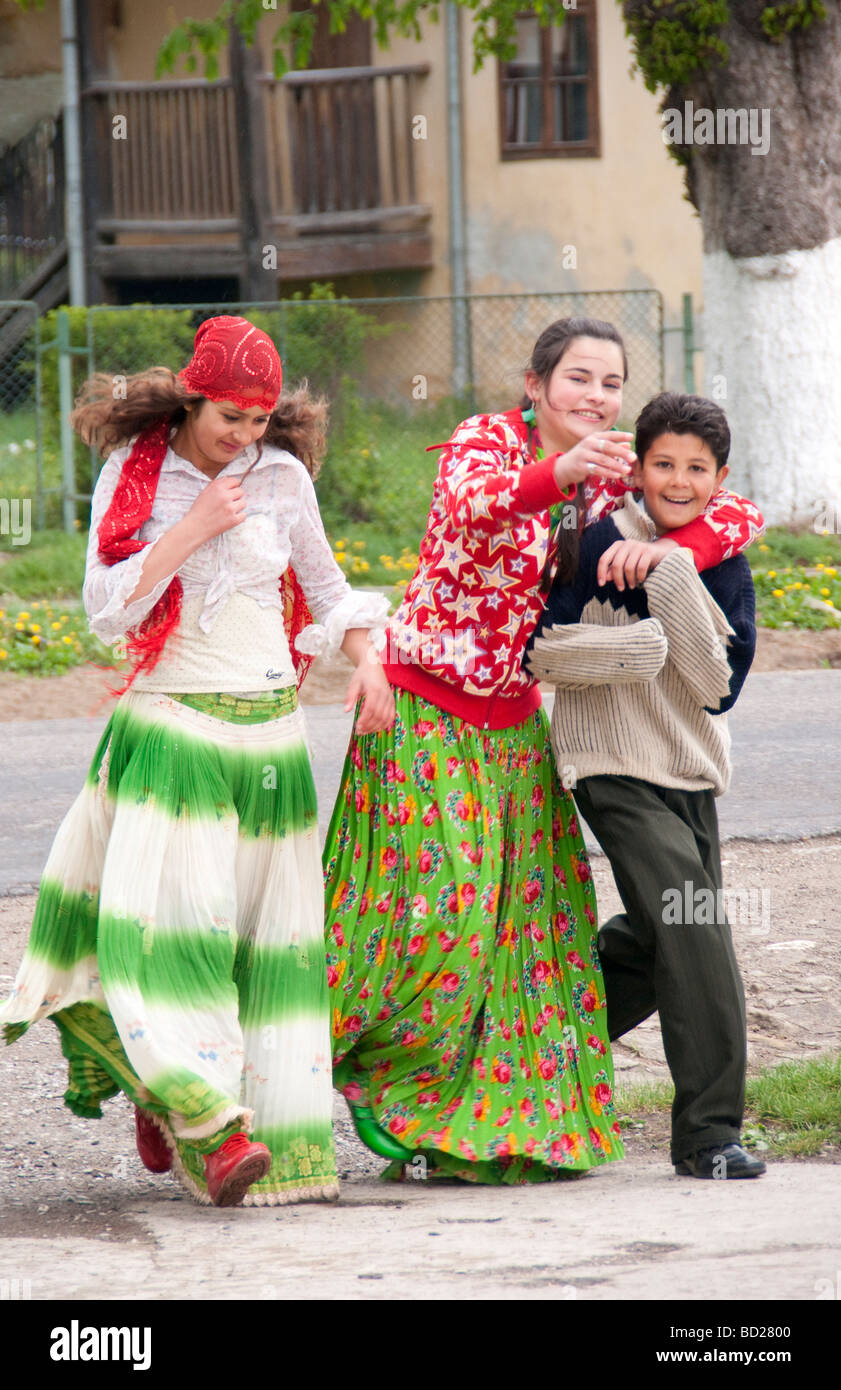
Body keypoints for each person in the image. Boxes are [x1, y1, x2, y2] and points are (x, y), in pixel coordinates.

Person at [323, 319, 764, 1184]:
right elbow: (472, 504)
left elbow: (730, 506)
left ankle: (474, 1103)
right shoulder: (487, 443)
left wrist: (670, 549)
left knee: (525, 946)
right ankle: (258, 1072)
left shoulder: (609, 485)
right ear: (535, 384)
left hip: (518, 729)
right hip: (421, 710)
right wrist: (555, 473)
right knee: (432, 928)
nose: (594, 397)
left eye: (610, 384)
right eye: (577, 378)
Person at [0, 315, 394, 1207]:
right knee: (169, 939)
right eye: (229, 417)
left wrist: (369, 661)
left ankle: (208, 1113)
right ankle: (206, 1122)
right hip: (173, 730)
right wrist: (192, 529)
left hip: (270, 741)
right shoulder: (135, 475)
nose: (245, 437)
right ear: (192, 397)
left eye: (260, 420)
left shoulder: (283, 477)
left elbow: (327, 593)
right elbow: (105, 612)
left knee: (262, 953)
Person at [527, 391, 764, 1179]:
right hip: (610, 768)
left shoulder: (722, 561)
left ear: (718, 478)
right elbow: (547, 655)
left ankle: (528, 1049)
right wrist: (644, 646)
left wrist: (671, 571)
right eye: (662, 463)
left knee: (651, 944)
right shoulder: (595, 540)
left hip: (690, 774)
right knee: (698, 930)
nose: (677, 479)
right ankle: (707, 1137)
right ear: (635, 467)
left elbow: (714, 686)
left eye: (695, 469)